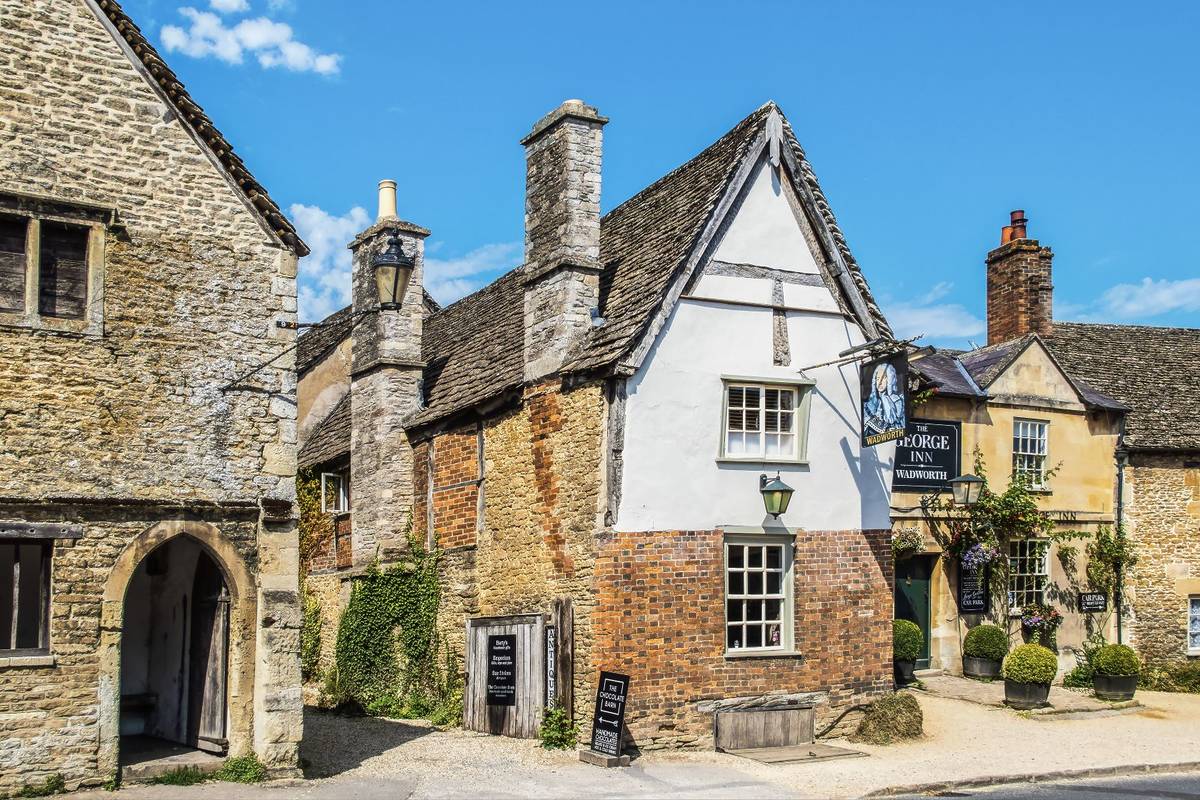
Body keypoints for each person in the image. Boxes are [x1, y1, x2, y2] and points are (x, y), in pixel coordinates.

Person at [864, 362, 905, 435]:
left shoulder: (897, 401)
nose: (879, 382)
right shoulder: (871, 402)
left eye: (883, 378)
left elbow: (896, 422)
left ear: (890, 379)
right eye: (877, 379)